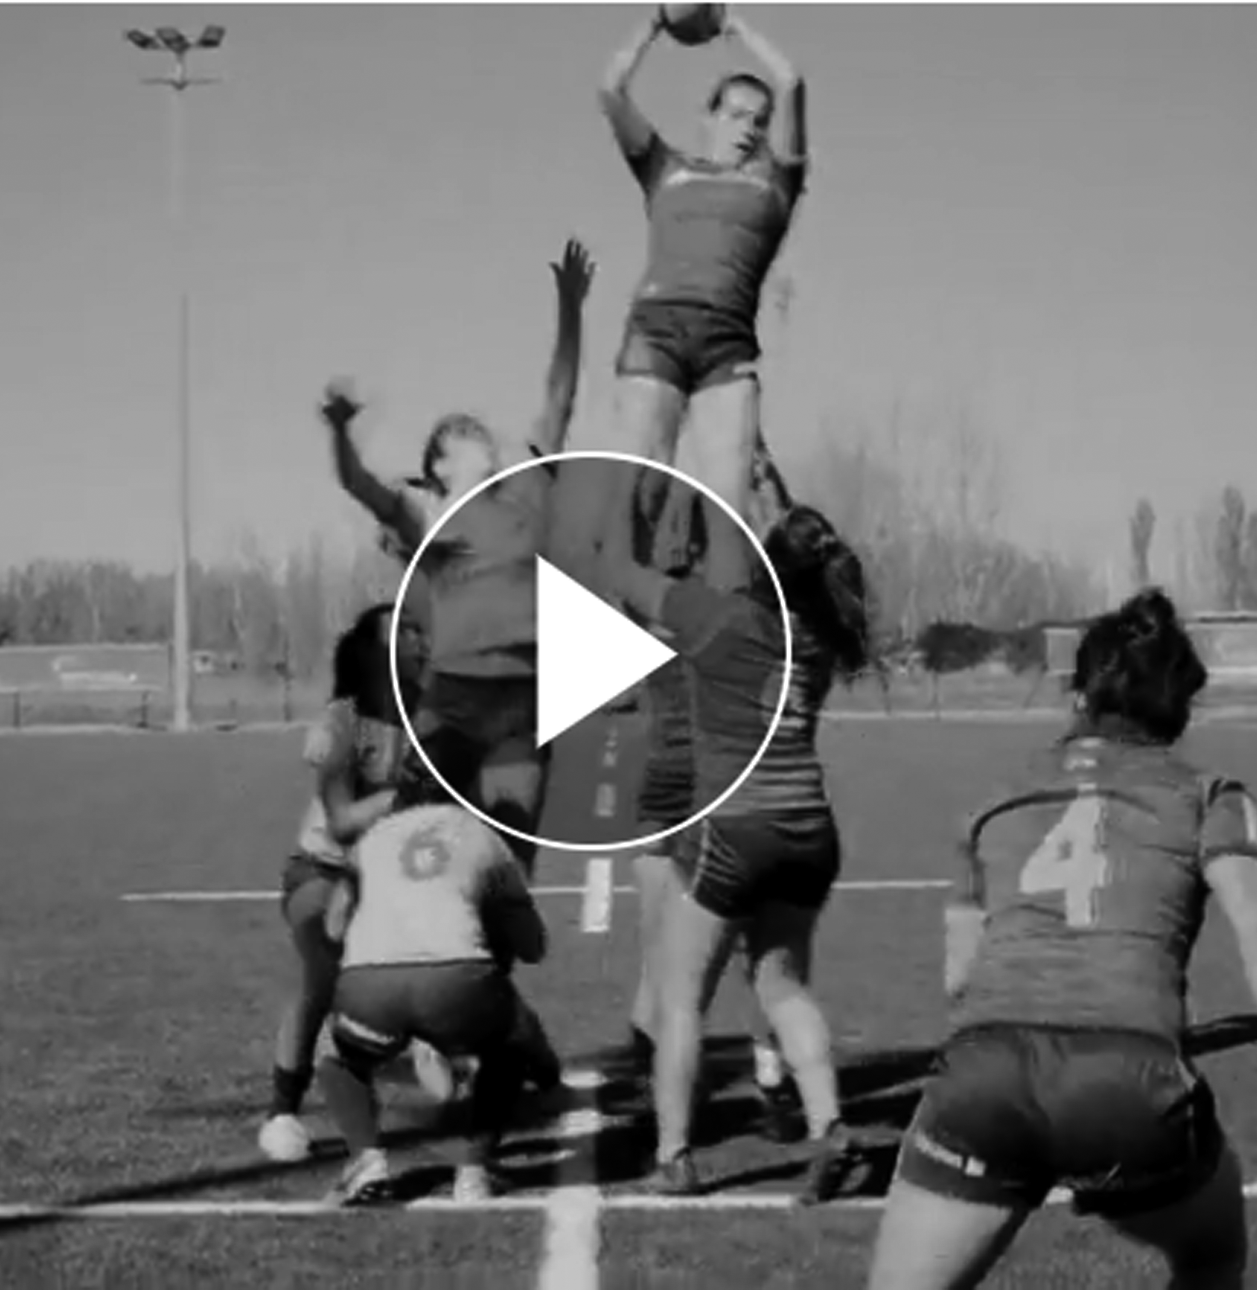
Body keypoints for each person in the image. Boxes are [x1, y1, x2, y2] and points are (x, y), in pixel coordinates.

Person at [866, 588, 1257, 1290]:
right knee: (1211, 1256)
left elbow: (959, 977)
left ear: (1079, 695)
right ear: (1178, 708)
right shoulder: (1209, 795)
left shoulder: (993, 799)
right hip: (1127, 1082)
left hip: (985, 1073)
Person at [607, 500, 872, 1201]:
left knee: (681, 998)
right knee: (783, 987)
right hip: (809, 828)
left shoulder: (719, 619)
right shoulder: (819, 638)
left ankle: (674, 1155)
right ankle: (829, 1126)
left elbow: (625, 578)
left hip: (734, 827)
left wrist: (610, 500)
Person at [324, 239, 594, 875]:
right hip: (450, 711)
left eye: (480, 433)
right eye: (462, 436)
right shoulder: (429, 516)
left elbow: (560, 395)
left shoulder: (528, 487)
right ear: (440, 468)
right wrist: (338, 429)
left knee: (509, 868)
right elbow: (357, 483)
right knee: (417, 859)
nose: (481, 436)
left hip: (522, 708)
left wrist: (570, 308)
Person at [570, 9, 807, 597]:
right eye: (736, 114)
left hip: (728, 351)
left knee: (728, 513)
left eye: (760, 121)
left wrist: (732, 24)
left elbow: (792, 81)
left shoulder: (777, 184)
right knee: (637, 493)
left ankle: (725, 629)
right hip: (656, 336)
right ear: (709, 117)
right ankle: (616, 620)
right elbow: (610, 89)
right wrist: (656, 21)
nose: (749, 129)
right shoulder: (665, 170)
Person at [626, 438, 802, 1143]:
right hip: (711, 796)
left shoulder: (667, 607)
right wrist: (765, 482)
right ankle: (762, 1083)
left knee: (680, 966)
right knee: (758, 958)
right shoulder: (735, 611)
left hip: (686, 797)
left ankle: (676, 1106)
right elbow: (796, 557)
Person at [258, 604, 456, 1162]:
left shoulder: (435, 718)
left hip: (395, 877)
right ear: (373, 654)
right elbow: (343, 821)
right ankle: (282, 1111)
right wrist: (405, 794)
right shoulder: (341, 723)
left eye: (420, 631)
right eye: (404, 634)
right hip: (322, 869)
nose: (419, 643)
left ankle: (419, 1044)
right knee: (324, 971)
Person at [317, 736, 550, 1206]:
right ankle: (474, 1172)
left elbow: (334, 925)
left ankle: (366, 1161)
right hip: (459, 985)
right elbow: (533, 945)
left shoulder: (373, 837)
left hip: (370, 985)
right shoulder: (483, 835)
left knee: (334, 1053)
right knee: (511, 1049)